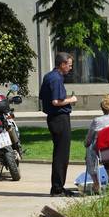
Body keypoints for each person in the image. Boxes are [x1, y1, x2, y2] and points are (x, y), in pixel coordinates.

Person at [39, 52, 77, 197]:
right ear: (62, 64)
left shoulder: (49, 76)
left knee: (59, 153)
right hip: (59, 118)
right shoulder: (56, 79)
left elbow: (46, 98)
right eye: (69, 65)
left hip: (54, 118)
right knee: (62, 155)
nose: (70, 68)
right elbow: (56, 101)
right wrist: (71, 99)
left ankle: (58, 186)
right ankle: (57, 189)